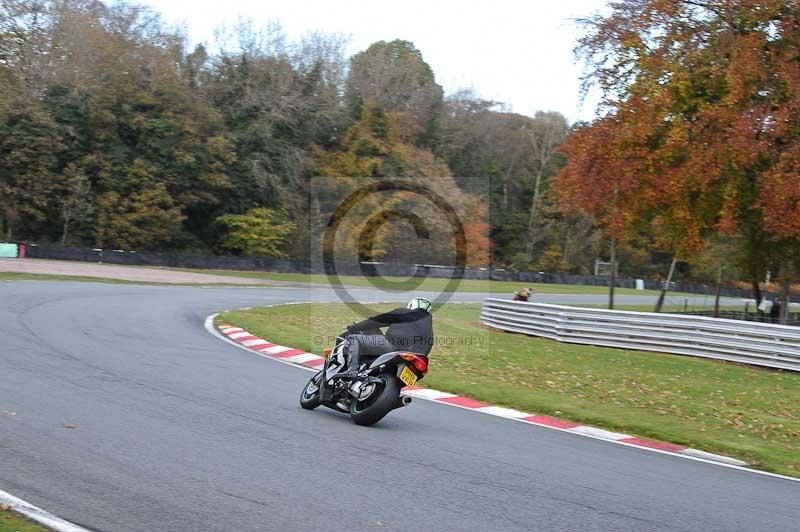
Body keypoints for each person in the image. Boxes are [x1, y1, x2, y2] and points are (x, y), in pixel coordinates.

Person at [337, 297, 434, 379]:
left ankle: (352, 370)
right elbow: (429, 345)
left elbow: (377, 321)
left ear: (412, 305)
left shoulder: (404, 312)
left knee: (353, 338)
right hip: (412, 358)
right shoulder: (429, 326)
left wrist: (354, 327)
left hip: (391, 345)